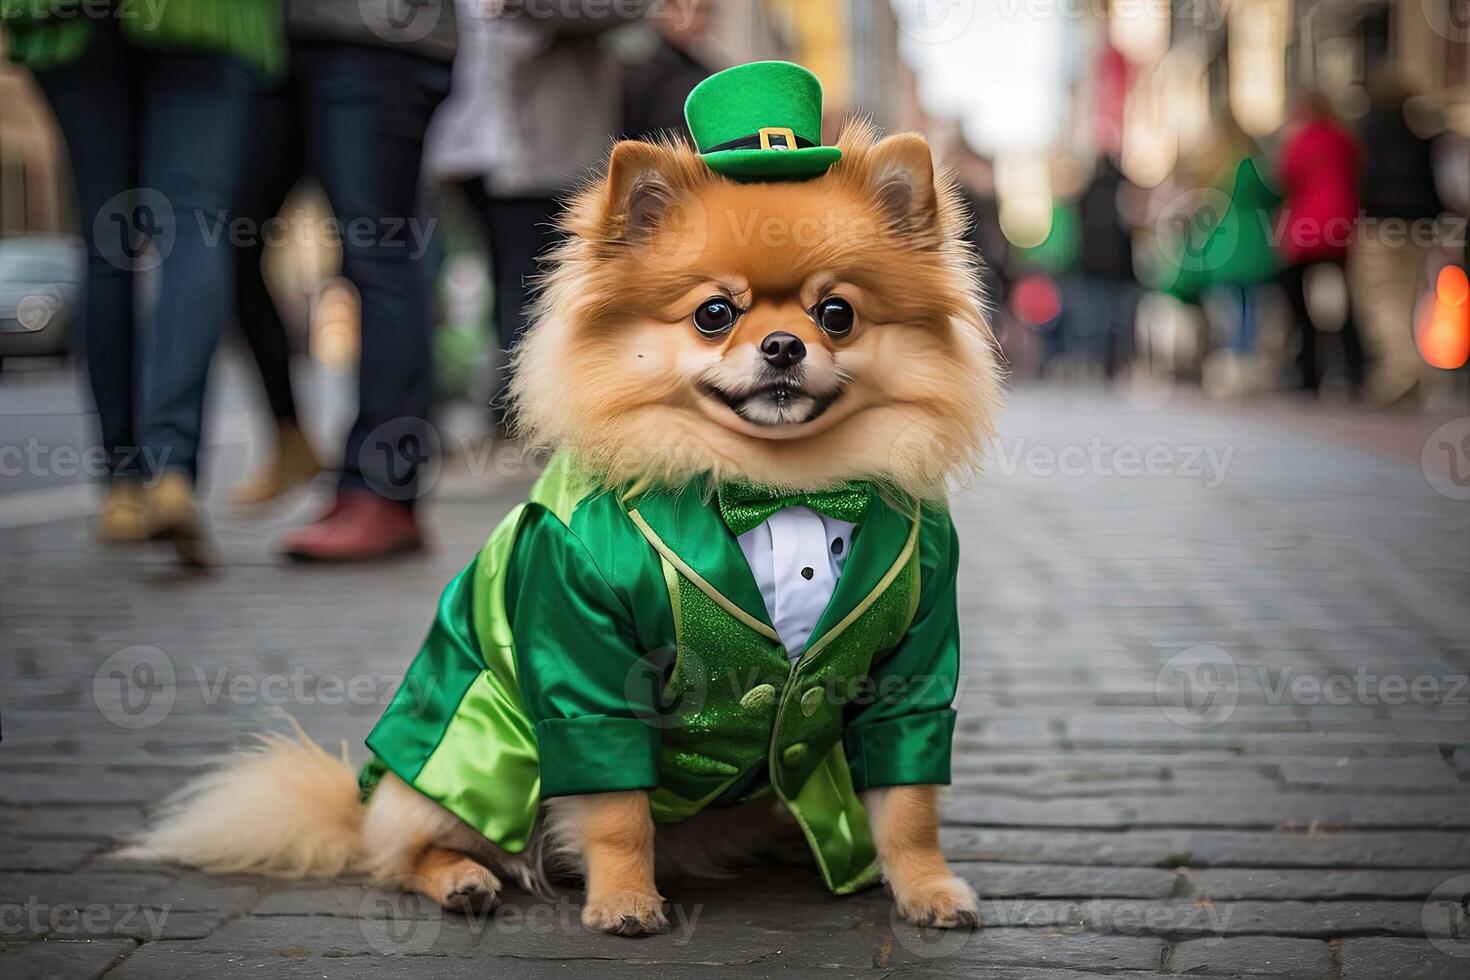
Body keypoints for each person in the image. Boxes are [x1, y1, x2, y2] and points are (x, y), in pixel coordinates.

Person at [3, 1, 282, 564]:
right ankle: (171, 471)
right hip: (205, 19)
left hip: (77, 19)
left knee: (108, 245)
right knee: (194, 227)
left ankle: (124, 486)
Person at [249, 0, 457, 561]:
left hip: (379, 34)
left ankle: (382, 489)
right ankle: (293, 436)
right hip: (264, 38)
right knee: (220, 240)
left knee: (379, 254)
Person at [424, 0, 649, 434]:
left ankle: (542, 414)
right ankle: (512, 406)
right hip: (467, 142)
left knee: (540, 282)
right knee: (499, 276)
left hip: (553, 146)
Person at [1352, 72, 1444, 408]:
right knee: (1410, 300)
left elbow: (1361, 180)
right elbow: (1434, 182)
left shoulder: (1368, 132)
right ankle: (1410, 375)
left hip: (1381, 225)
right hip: (1418, 225)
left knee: (1381, 299)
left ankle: (1399, 372)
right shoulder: (1420, 132)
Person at [1274, 93, 1367, 396]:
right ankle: (1355, 367)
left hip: (1308, 228)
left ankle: (1309, 371)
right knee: (1347, 302)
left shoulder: (1299, 142)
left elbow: (1282, 177)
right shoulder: (1344, 138)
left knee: (1300, 305)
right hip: (1342, 225)